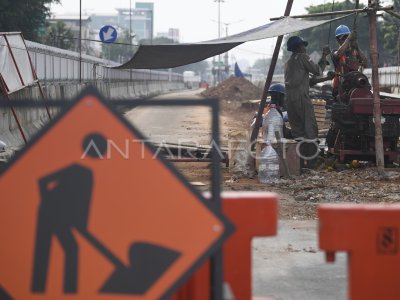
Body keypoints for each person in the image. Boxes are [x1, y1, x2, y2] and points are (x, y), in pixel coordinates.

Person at [284, 36, 330, 168]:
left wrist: (327, 77)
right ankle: (312, 163)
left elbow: (309, 81)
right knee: (310, 128)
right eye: (303, 46)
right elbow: (317, 71)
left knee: (298, 130)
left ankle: (299, 164)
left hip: (290, 99)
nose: (305, 48)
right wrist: (324, 56)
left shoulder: (289, 63)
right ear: (299, 47)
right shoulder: (303, 57)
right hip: (301, 97)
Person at [331, 24, 368, 98]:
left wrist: (357, 47)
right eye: (343, 38)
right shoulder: (335, 52)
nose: (345, 40)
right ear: (338, 40)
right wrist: (348, 39)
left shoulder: (355, 52)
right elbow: (338, 54)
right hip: (340, 88)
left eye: (346, 37)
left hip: (355, 84)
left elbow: (365, 63)